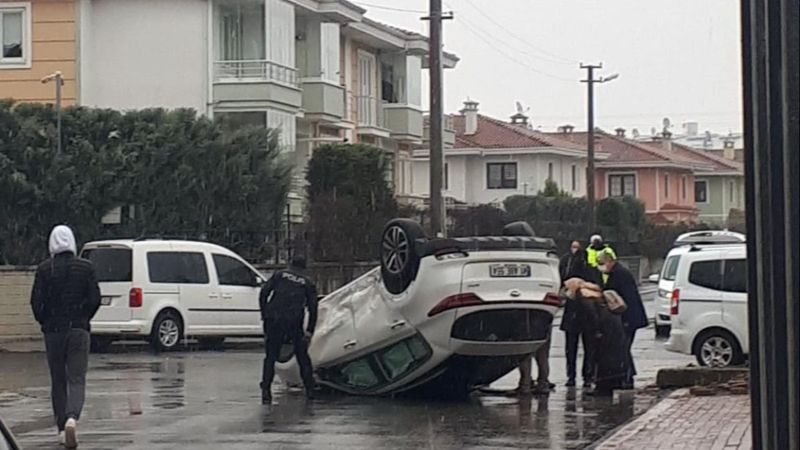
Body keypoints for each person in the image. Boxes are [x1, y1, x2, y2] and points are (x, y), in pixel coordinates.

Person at [30, 225, 101, 449]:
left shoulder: (44, 270)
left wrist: (46, 322)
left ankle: (61, 429)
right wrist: (83, 317)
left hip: (54, 332)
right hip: (79, 330)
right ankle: (73, 417)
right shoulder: (86, 268)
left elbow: (36, 303)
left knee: (58, 380)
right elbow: (95, 298)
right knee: (77, 378)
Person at [259, 255, 318, 404]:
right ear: (304, 268)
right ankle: (310, 389)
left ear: (290, 265)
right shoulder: (307, 283)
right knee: (302, 356)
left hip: (274, 319)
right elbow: (313, 309)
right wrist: (310, 330)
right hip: (293, 321)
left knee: (270, 356)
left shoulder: (279, 275)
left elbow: (264, 293)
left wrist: (265, 314)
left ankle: (266, 390)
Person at [597, 250, 648, 389]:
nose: (602, 267)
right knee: (623, 348)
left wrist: (625, 319)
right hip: (630, 317)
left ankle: (627, 377)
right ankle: (625, 377)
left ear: (609, 261)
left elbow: (626, 298)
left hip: (628, 318)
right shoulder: (618, 272)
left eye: (602, 264)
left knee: (623, 348)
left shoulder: (619, 274)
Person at [559, 244, 594, 388]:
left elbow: (563, 291)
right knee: (589, 349)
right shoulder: (591, 273)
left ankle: (571, 376)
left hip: (572, 316)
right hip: (588, 317)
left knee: (571, 349)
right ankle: (588, 376)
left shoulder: (570, 275)